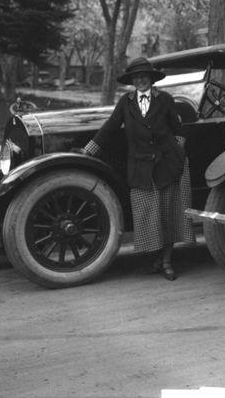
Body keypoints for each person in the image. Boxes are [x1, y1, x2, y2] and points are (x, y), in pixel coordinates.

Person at [82, 57, 193, 280]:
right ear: (132, 80)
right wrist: (88, 150)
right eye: (136, 77)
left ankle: (167, 261)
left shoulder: (165, 100)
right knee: (148, 214)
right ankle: (156, 258)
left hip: (167, 166)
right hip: (140, 168)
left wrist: (177, 154)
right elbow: (110, 128)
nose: (141, 80)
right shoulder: (126, 102)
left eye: (145, 76)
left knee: (168, 213)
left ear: (151, 79)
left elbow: (179, 130)